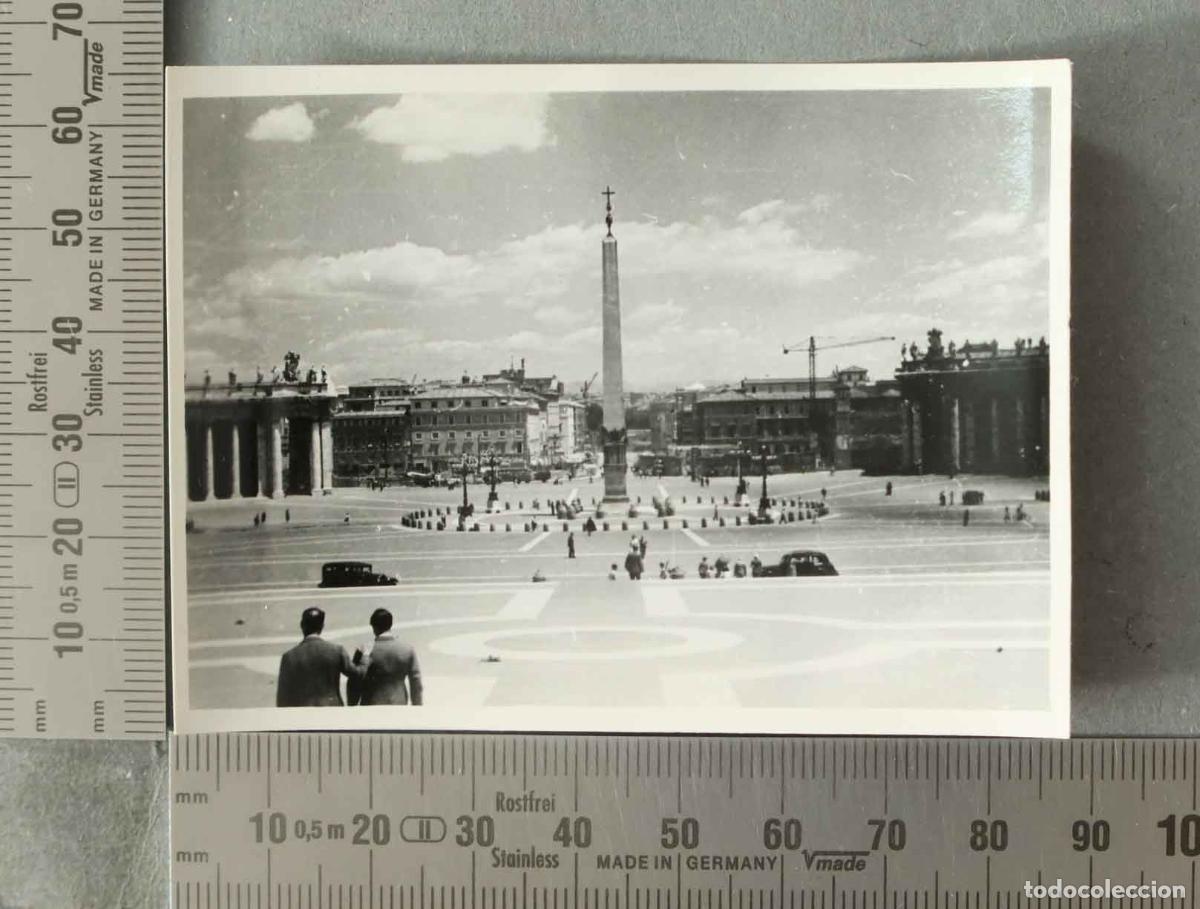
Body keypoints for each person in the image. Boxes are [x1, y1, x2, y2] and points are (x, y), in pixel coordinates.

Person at [276, 607, 362, 707]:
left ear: (302, 625)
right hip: (332, 710)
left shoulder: (289, 657)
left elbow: (282, 696)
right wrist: (363, 658)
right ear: (322, 626)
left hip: (302, 714)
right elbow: (356, 674)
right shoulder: (336, 650)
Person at [347, 608, 423, 707]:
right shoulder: (407, 649)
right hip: (399, 703)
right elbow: (416, 682)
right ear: (390, 625)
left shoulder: (364, 649)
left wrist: (352, 704)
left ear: (373, 626)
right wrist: (417, 706)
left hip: (370, 705)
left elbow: (355, 681)